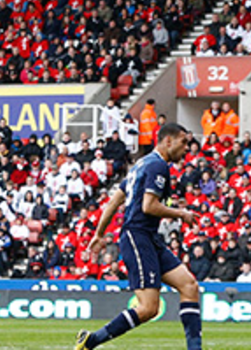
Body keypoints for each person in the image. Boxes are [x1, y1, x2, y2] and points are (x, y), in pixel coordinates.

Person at [76, 123, 200, 350]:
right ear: (168, 141)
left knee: (189, 285)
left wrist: (99, 234)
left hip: (149, 237)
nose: (187, 148)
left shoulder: (141, 164)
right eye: (183, 142)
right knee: (148, 308)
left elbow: (115, 201)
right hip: (137, 236)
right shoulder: (158, 166)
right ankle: (91, 341)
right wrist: (181, 213)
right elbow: (149, 206)